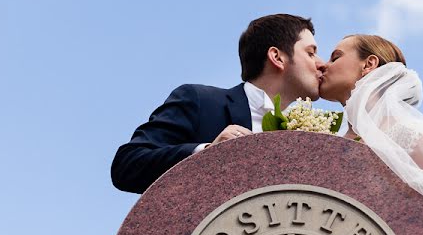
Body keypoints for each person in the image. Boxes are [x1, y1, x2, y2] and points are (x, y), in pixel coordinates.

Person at [111, 14, 325, 194]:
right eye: (310, 52)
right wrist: (208, 154)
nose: (321, 63)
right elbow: (127, 165)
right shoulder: (199, 100)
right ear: (277, 57)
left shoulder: (304, 136)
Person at [319, 34, 423, 198]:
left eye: (335, 58)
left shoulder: (410, 132)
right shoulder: (335, 140)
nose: (323, 65)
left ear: (368, 64)